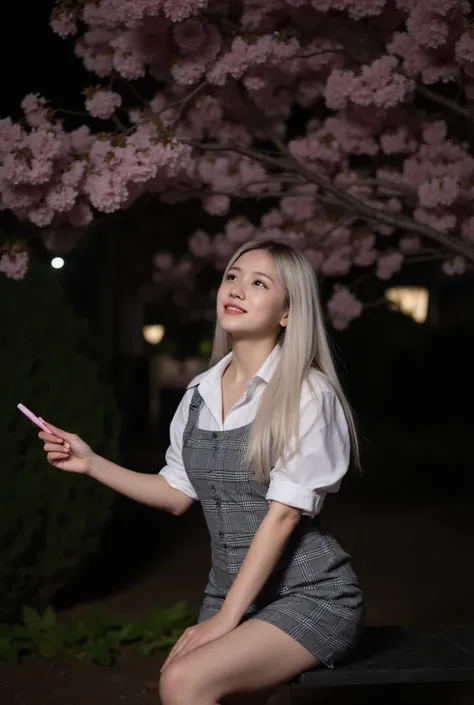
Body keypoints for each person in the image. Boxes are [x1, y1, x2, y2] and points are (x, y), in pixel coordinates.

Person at [39, 240, 364, 705]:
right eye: (232, 276)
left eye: (258, 283)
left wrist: (225, 618)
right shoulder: (199, 393)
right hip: (233, 593)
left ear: (288, 313)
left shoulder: (308, 394)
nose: (236, 289)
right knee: (186, 684)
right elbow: (175, 493)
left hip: (313, 594)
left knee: (182, 683)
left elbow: (285, 517)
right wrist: (91, 463)